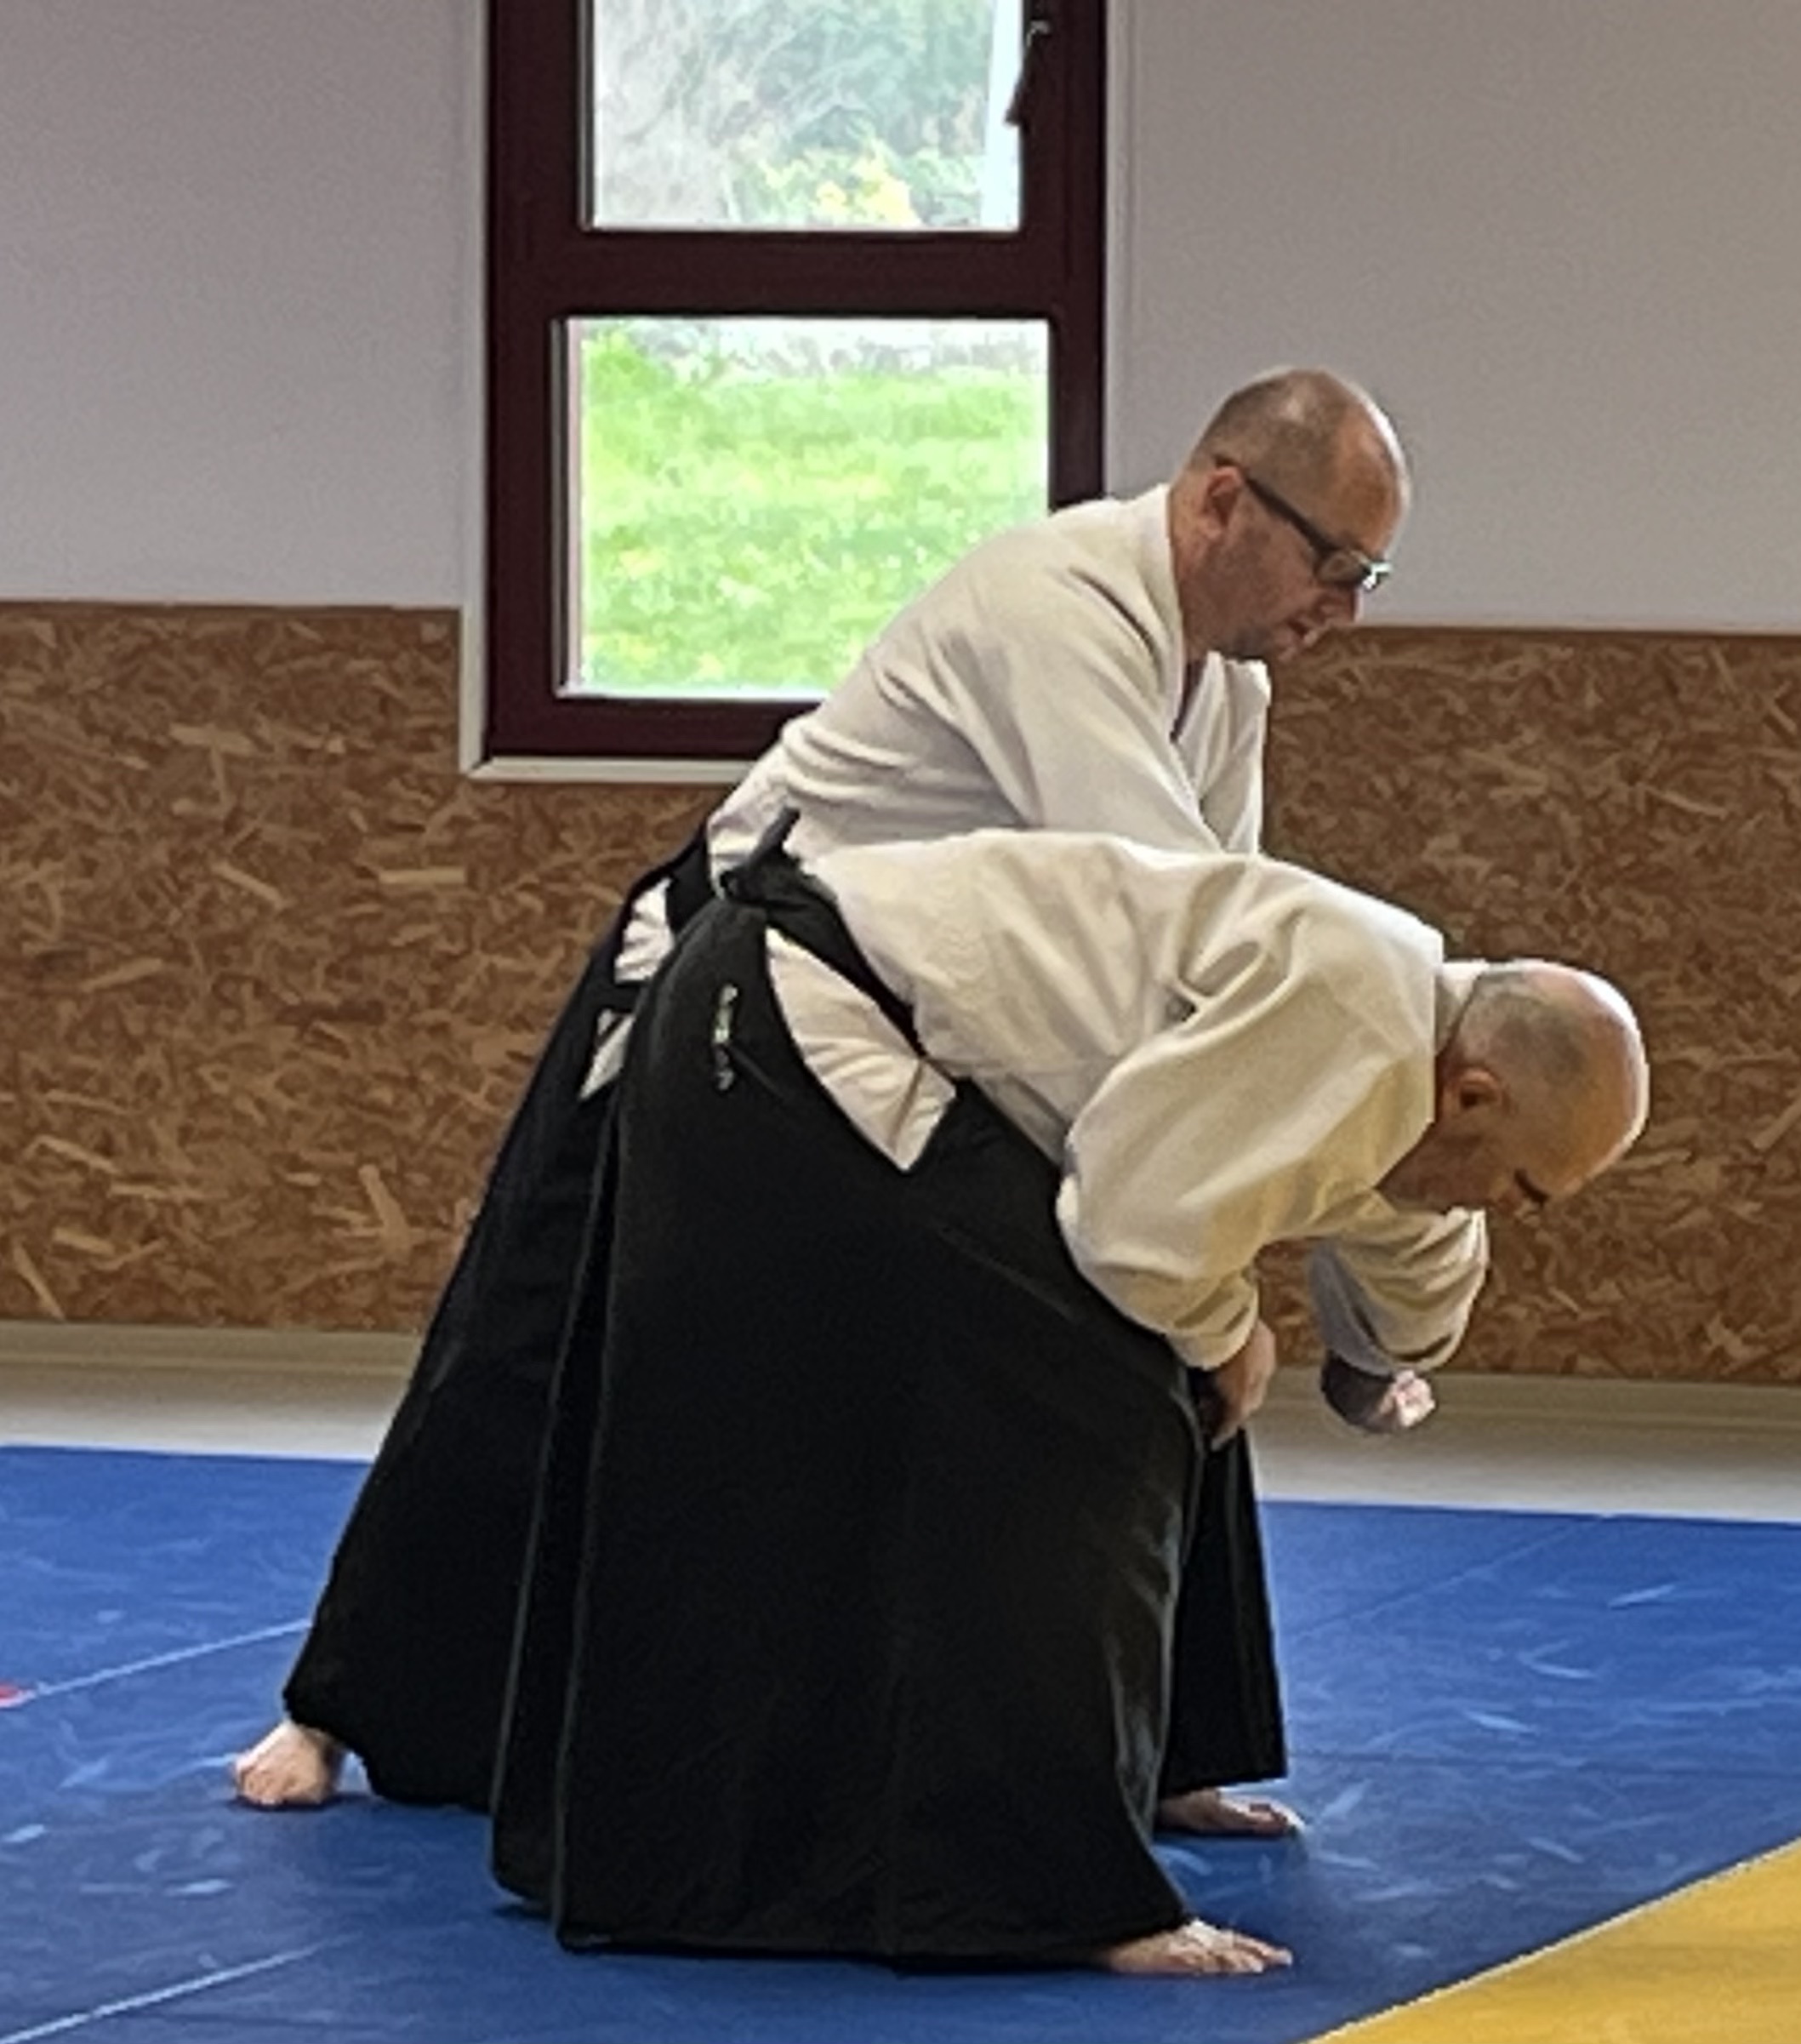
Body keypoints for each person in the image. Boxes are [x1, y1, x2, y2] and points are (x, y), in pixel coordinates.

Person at [234, 367, 1412, 1819]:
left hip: (931, 1029)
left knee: (1133, 1304)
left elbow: (1212, 939)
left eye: (1366, 577)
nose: (1342, 610)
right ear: (1224, 496)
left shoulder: (1224, 682)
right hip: (723, 977)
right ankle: (338, 1702)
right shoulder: (1055, 604)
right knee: (535, 1320)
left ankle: (1163, 1749)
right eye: (1332, 564)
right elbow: (1171, 911)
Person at [487, 826, 1650, 1976]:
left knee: (1168, 1374)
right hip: (792, 1011)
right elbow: (1135, 1231)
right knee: (1087, 1395)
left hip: (884, 1033)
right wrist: (1231, 1335)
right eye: (1524, 1187)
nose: (1508, 1210)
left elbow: (1412, 1254)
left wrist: (1374, 1367)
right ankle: (1054, 1883)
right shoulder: (1350, 1013)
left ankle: (1159, 1758)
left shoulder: (1420, 1068)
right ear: (1474, 1093)